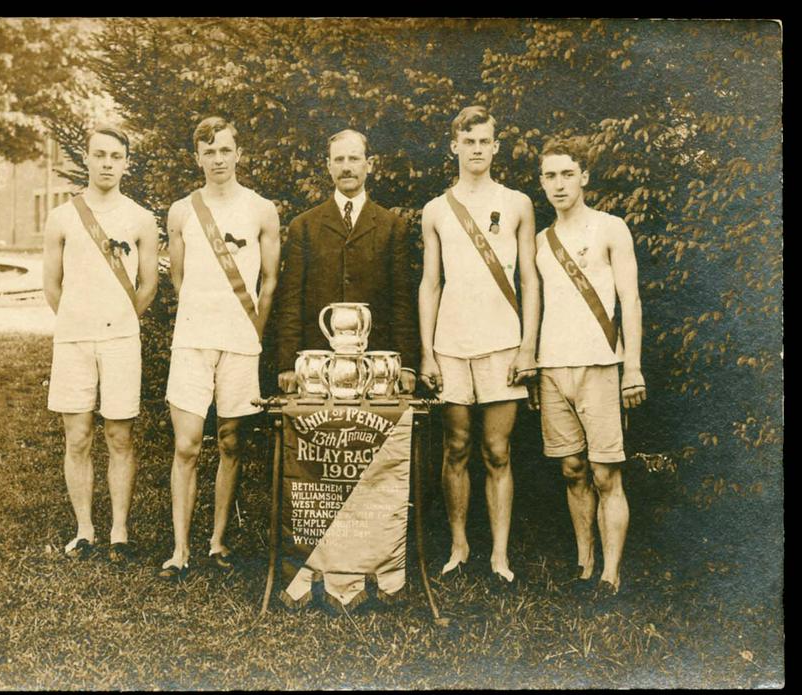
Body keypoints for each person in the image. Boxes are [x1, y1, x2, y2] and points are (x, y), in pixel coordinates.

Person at [418, 106, 540, 586]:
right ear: (454, 146)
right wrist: (427, 351)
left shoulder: (517, 203)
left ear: (496, 146)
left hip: (503, 344)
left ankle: (500, 555)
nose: (476, 150)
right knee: (456, 446)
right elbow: (430, 284)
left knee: (497, 450)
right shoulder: (435, 209)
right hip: (451, 344)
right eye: (467, 142)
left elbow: (529, 279)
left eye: (484, 141)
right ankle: (459, 545)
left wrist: (528, 346)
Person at [159, 116, 281, 579]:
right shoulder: (181, 211)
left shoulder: (261, 209)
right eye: (208, 152)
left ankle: (217, 542)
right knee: (187, 445)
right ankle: (179, 549)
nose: (218, 160)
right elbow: (179, 278)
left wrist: (253, 330)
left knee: (232, 442)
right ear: (197, 158)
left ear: (238, 153)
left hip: (240, 339)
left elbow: (269, 282)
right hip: (193, 340)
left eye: (225, 150)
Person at [42, 124, 159, 565]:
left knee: (119, 434)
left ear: (126, 163)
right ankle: (85, 529)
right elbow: (52, 285)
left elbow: (148, 285)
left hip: (121, 338)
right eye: (100, 155)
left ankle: (119, 531)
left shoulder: (140, 217)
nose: (107, 163)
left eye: (116, 156)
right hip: (73, 338)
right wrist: (78, 319)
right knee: (77, 436)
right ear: (87, 160)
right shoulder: (62, 216)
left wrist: (118, 320)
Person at [534, 137, 646, 599]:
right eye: (549, 176)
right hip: (552, 365)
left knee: (606, 474)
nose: (558, 184)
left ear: (584, 177)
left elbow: (631, 301)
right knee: (572, 469)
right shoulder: (541, 241)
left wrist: (633, 367)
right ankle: (585, 565)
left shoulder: (610, 228)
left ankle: (610, 575)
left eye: (566, 174)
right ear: (542, 183)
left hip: (601, 364)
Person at [276, 129, 418, 394]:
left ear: (369, 164)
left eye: (354, 159)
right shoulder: (304, 226)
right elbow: (291, 300)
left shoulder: (392, 226)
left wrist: (406, 364)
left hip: (376, 367)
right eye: (339, 160)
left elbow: (402, 300)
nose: (346, 167)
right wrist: (288, 363)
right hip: (316, 366)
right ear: (328, 166)